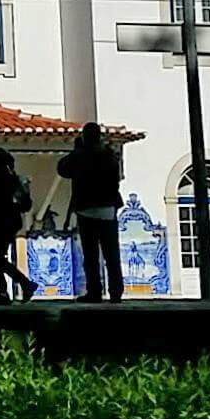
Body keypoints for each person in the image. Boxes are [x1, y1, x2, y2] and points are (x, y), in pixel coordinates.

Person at [59, 123, 124, 303]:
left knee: (91, 256)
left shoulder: (80, 155)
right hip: (108, 208)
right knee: (112, 254)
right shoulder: (109, 155)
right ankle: (116, 291)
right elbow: (116, 176)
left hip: (87, 208)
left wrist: (76, 151)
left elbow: (62, 169)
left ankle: (95, 291)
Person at [0, 147, 35, 304]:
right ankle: (19, 286)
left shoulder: (0, 179)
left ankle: (10, 290)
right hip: (6, 222)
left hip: (3, 223)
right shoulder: (11, 179)